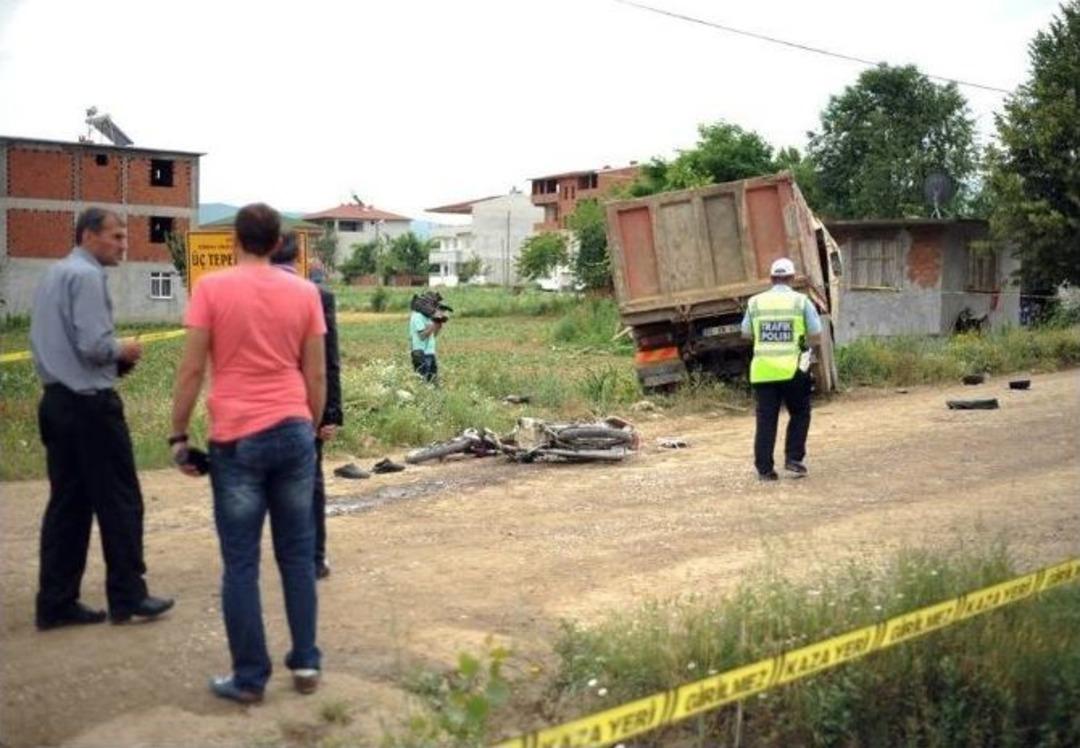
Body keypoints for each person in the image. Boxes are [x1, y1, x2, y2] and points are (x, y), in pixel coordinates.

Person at [170, 203, 327, 703]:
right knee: (298, 555)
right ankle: (305, 664)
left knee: (240, 563)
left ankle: (249, 678)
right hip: (293, 430)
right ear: (279, 239)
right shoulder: (305, 293)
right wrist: (311, 422)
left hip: (236, 438)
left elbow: (192, 370)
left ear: (236, 238)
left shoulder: (212, 289)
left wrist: (178, 434)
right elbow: (316, 374)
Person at [29, 207, 174, 630]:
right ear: (90, 235)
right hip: (91, 405)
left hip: (56, 402)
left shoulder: (54, 274)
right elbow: (94, 345)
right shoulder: (88, 276)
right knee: (120, 500)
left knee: (68, 506)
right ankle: (129, 596)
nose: (123, 244)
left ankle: (56, 602)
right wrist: (123, 349)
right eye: (116, 236)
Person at [271, 235, 342, 580]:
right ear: (299, 258)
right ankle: (312, 558)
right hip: (303, 407)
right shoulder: (315, 296)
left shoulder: (236, 293)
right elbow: (328, 363)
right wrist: (328, 414)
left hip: (253, 410)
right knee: (308, 481)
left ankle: (288, 556)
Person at [741, 257, 823, 481]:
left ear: (771, 278)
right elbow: (816, 332)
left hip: (763, 371)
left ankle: (765, 469)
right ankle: (793, 458)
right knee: (800, 412)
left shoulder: (755, 302)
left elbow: (746, 332)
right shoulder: (800, 301)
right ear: (792, 278)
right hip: (793, 370)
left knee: (766, 420)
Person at [408, 293, 443, 383]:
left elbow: (432, 335)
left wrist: (438, 325)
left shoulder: (427, 317)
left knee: (433, 382)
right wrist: (433, 325)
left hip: (430, 352)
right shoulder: (417, 316)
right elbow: (422, 336)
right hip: (420, 352)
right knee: (422, 381)